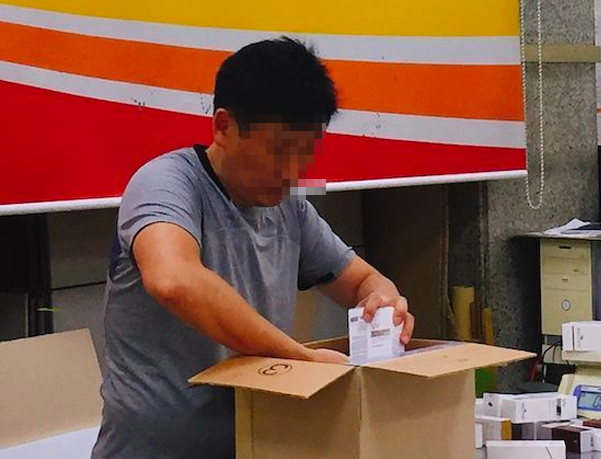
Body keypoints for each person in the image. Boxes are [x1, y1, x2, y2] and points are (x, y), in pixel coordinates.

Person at [92, 37, 414, 459]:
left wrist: (383, 303)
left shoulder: (289, 211)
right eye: (279, 151)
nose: (292, 172)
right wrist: (297, 357)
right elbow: (173, 279)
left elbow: (363, 280)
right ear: (224, 127)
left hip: (254, 446)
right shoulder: (166, 184)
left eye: (305, 154)